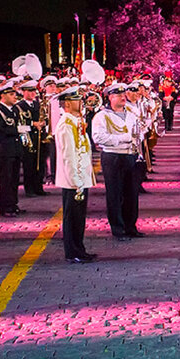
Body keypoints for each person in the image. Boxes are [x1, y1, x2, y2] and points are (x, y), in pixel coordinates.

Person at [90, 83, 145, 240]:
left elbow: (138, 133)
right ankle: (118, 228)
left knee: (131, 194)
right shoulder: (102, 116)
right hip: (113, 156)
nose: (122, 98)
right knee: (115, 194)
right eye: (118, 96)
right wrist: (124, 139)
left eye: (123, 95)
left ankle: (131, 226)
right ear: (110, 97)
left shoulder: (132, 114)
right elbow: (98, 138)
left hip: (130, 156)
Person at [54, 88, 96, 263]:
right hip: (74, 179)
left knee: (79, 217)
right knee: (72, 217)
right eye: (78, 100)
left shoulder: (76, 122)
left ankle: (80, 248)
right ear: (69, 104)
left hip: (81, 176)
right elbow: (68, 155)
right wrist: (76, 180)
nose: (82, 103)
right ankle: (73, 251)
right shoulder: (66, 124)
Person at [0, 84, 26, 218]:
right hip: (5, 150)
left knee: (14, 179)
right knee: (6, 180)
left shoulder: (15, 110)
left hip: (16, 149)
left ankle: (13, 204)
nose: (14, 97)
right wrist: (16, 130)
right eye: (11, 94)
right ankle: (5, 206)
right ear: (2, 96)